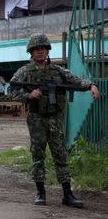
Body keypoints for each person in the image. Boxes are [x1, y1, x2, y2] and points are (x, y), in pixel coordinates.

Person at [10, 34, 100, 208]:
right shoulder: (24, 72)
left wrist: (91, 85)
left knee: (61, 156)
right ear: (31, 52)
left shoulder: (58, 71)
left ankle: (67, 194)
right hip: (36, 119)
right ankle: (40, 192)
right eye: (37, 49)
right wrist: (29, 95)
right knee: (38, 155)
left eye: (43, 48)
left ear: (47, 50)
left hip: (56, 119)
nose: (40, 51)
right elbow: (10, 89)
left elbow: (76, 81)